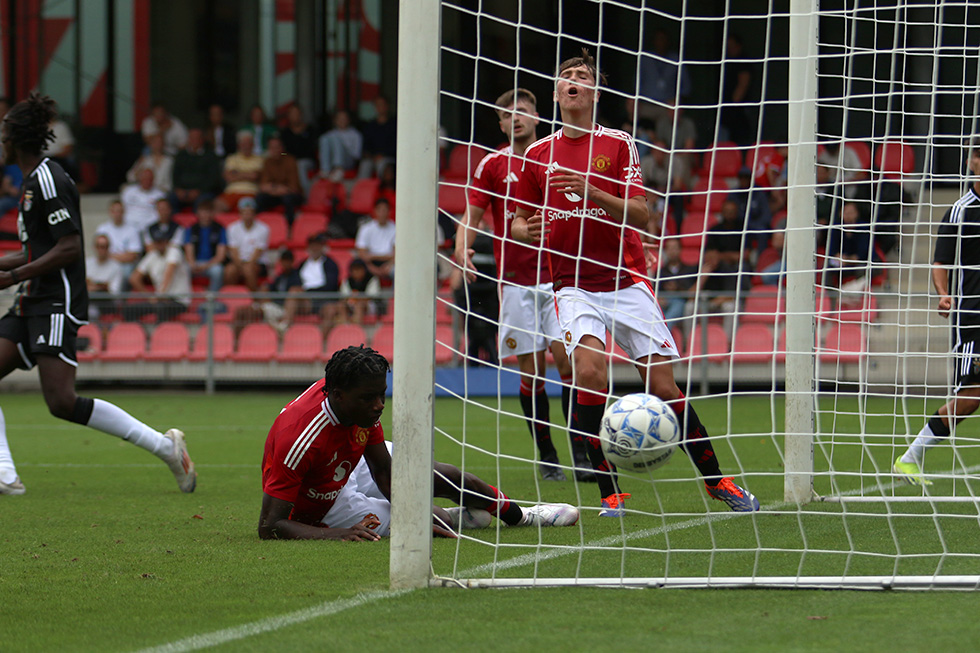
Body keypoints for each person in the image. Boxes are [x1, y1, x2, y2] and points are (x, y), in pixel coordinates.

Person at [511, 51, 759, 515]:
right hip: (572, 285)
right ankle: (610, 493)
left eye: (581, 76)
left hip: (626, 282)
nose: (572, 81)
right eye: (565, 75)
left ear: (594, 93)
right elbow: (518, 223)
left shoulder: (619, 143)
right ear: (556, 92)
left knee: (664, 388)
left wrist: (592, 189)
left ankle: (718, 481)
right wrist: (530, 230)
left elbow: (643, 213)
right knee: (587, 374)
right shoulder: (536, 155)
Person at [0, 93, 195, 496]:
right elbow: (38, 247)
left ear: (15, 138)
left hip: (56, 300)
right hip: (32, 297)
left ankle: (166, 448)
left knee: (61, 401)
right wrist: (8, 266)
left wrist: (16, 272)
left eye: (2, 132)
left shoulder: (49, 179)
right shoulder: (32, 181)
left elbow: (70, 247)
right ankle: (6, 478)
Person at [258, 345, 578, 540]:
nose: (380, 405)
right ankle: (453, 517)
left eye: (382, 395)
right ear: (338, 397)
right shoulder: (300, 438)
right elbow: (270, 525)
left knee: (442, 474)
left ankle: (521, 515)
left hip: (344, 462)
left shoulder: (359, 406)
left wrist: (417, 509)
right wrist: (337, 534)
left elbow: (385, 473)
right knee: (406, 521)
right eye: (370, 398)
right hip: (322, 507)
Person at [454, 87, 585, 482]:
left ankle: (582, 452)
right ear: (500, 123)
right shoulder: (491, 165)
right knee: (532, 374)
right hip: (514, 284)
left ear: (537, 117)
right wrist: (462, 248)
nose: (515, 118)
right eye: (507, 114)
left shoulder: (556, 157)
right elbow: (471, 215)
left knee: (568, 365)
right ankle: (547, 455)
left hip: (559, 279)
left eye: (522, 111)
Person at [894, 142, 980, 486]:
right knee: (972, 395)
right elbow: (940, 261)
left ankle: (911, 456)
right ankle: (911, 456)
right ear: (973, 162)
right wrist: (944, 296)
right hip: (973, 316)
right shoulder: (961, 210)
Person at [125, 223, 192, 322]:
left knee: (161, 308)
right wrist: (150, 297)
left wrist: (160, 295)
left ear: (166, 241)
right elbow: (134, 278)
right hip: (160, 300)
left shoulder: (174, 251)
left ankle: (158, 335)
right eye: (157, 241)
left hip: (179, 300)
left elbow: (169, 273)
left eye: (162, 241)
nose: (160, 244)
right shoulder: (151, 255)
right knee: (129, 310)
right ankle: (141, 334)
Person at [279, 234, 341, 331]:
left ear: (322, 246)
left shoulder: (330, 264)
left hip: (323, 299)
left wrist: (308, 291)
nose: (314, 248)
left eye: (316, 245)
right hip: (306, 300)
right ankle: (285, 325)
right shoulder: (302, 264)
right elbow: (295, 280)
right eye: (312, 245)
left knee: (330, 310)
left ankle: (322, 340)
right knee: (294, 291)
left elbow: (331, 285)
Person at [636, 29, 692, 123]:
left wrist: (676, 101)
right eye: (658, 39)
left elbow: (686, 87)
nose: (661, 42)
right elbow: (636, 83)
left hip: (667, 107)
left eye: (663, 39)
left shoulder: (676, 59)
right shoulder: (645, 58)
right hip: (647, 106)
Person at [254, 136, 304, 225]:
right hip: (275, 194)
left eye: (277, 147)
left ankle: (290, 226)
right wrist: (277, 188)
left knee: (288, 199)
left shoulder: (290, 160)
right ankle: (262, 225)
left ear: (282, 148)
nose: (274, 150)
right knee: (260, 198)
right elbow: (264, 186)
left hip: (291, 194)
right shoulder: (267, 162)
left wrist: (273, 187)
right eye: (271, 148)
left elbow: (293, 187)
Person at [224, 197, 270, 291]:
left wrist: (245, 266)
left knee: (248, 270)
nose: (247, 215)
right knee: (229, 271)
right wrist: (240, 265)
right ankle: (231, 299)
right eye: (244, 212)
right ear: (240, 213)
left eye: (250, 212)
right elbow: (233, 251)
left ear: (254, 213)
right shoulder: (232, 228)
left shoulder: (264, 228)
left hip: (257, 263)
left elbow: (258, 252)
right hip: (238, 261)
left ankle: (254, 301)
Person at [171, 128, 223, 211]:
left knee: (202, 203)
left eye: (196, 138)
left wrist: (199, 191)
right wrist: (178, 189)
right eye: (192, 138)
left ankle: (199, 224)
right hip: (182, 191)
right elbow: (175, 175)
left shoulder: (211, 156)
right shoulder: (181, 155)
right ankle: (173, 224)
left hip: (203, 192)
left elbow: (213, 178)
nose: (194, 141)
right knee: (169, 201)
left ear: (202, 140)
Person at [94, 199, 143, 285]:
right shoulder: (102, 228)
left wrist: (109, 256)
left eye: (119, 211)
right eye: (114, 211)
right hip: (106, 262)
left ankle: (119, 297)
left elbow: (132, 256)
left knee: (125, 271)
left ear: (124, 212)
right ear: (110, 212)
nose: (117, 214)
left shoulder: (132, 229)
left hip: (124, 265)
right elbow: (98, 250)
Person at [183, 199, 227, 292]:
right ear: (197, 214)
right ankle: (185, 297)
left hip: (211, 264)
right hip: (195, 263)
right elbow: (188, 250)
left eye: (208, 212)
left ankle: (212, 298)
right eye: (203, 212)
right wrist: (192, 264)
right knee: (183, 269)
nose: (205, 215)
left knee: (218, 271)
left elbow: (220, 256)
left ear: (213, 213)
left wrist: (206, 266)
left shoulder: (219, 229)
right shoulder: (191, 229)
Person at [217, 131, 263, 212]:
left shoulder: (260, 159)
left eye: (248, 143)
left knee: (248, 211)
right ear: (239, 145)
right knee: (216, 207)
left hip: (251, 192)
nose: (246, 146)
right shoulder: (231, 158)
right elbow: (229, 177)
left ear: (252, 145)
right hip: (231, 192)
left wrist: (236, 173)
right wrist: (249, 174)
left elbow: (256, 176)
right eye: (243, 143)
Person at [354, 198, 396, 286]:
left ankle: (394, 298)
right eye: (379, 210)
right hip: (370, 264)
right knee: (357, 268)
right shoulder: (366, 228)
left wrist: (373, 256)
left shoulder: (395, 228)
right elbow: (362, 254)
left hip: (389, 264)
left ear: (389, 212)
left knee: (397, 271)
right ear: (375, 211)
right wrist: (372, 267)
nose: (382, 213)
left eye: (384, 210)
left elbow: (396, 254)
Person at [280, 104, 318, 194]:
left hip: (307, 160)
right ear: (288, 116)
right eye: (292, 114)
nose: (295, 116)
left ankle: (306, 195)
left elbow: (311, 150)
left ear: (301, 115)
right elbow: (282, 153)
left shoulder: (310, 130)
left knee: (300, 165)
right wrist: (287, 156)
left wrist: (294, 155)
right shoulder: (285, 133)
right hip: (289, 160)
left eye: (297, 113)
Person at [85, 234, 124, 321]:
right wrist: (101, 285)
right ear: (94, 247)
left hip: (107, 304)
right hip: (87, 300)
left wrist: (93, 285)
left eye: (104, 247)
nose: (101, 250)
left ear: (108, 248)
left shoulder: (116, 266)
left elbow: (114, 291)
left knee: (92, 312)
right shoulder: (87, 264)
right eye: (99, 246)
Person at [318, 109, 363, 182]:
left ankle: (338, 169)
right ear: (335, 121)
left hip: (348, 161)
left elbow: (357, 155)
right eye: (339, 119)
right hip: (332, 161)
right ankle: (325, 170)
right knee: (324, 138)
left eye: (344, 119)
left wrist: (343, 149)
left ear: (348, 120)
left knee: (336, 139)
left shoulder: (355, 134)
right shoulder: (331, 134)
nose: (342, 121)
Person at [358, 96, 397, 179]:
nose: (380, 107)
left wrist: (383, 155)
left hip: (389, 158)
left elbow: (397, 146)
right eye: (378, 105)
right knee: (365, 164)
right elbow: (366, 147)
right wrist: (371, 156)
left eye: (382, 104)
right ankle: (361, 189)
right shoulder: (370, 126)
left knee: (382, 164)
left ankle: (382, 189)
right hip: (372, 158)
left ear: (387, 106)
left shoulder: (395, 125)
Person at [121, 168, 168, 232]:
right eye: (145, 178)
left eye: (149, 179)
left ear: (153, 180)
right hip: (130, 225)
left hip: (151, 228)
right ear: (140, 179)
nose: (147, 181)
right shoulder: (128, 191)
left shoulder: (160, 194)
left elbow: (163, 212)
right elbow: (121, 208)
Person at [337, 258, 382, 326]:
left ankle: (356, 329)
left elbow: (372, 296)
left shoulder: (372, 279)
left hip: (369, 306)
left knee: (359, 305)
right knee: (341, 305)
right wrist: (354, 298)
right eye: (354, 270)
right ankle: (345, 326)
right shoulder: (347, 281)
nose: (356, 272)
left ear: (364, 270)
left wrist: (357, 298)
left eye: (359, 269)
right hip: (351, 303)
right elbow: (344, 296)